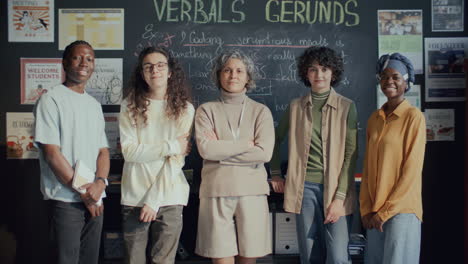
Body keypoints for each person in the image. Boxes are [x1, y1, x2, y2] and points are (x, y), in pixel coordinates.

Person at [270, 46, 358, 264]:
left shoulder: (348, 107)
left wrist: (339, 199)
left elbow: (351, 155)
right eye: (313, 69)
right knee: (310, 255)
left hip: (337, 188)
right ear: (306, 74)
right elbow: (275, 139)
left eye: (325, 69)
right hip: (304, 188)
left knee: (338, 257)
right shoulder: (295, 107)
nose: (319, 75)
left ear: (333, 73)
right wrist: (275, 173)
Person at [194, 50, 274, 264]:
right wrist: (245, 146)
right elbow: (206, 150)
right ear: (219, 75)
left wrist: (221, 153)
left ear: (248, 77)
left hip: (252, 193)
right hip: (216, 192)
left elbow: (264, 153)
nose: (233, 75)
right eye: (227, 70)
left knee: (249, 259)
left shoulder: (261, 111)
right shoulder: (205, 110)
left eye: (240, 71)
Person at [34, 40, 109, 264]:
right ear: (65, 63)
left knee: (90, 260)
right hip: (66, 201)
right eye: (77, 57)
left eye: (89, 58)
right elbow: (52, 155)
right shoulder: (51, 99)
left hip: (95, 199)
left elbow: (103, 152)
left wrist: (100, 184)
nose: (83, 63)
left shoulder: (94, 105)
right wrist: (85, 194)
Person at [119, 46, 194, 264]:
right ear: (142, 73)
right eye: (148, 66)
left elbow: (176, 161)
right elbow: (129, 152)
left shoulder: (185, 109)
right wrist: (171, 145)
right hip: (134, 195)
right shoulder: (129, 105)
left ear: (170, 72)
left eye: (161, 65)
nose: (155, 70)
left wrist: (153, 201)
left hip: (170, 196)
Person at [360, 53, 426, 264]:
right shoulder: (374, 118)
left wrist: (386, 211)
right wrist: (366, 209)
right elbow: (368, 168)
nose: (389, 81)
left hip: (401, 211)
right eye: (385, 77)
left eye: (396, 77)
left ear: (406, 83)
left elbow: (411, 171)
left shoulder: (413, 117)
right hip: (375, 212)